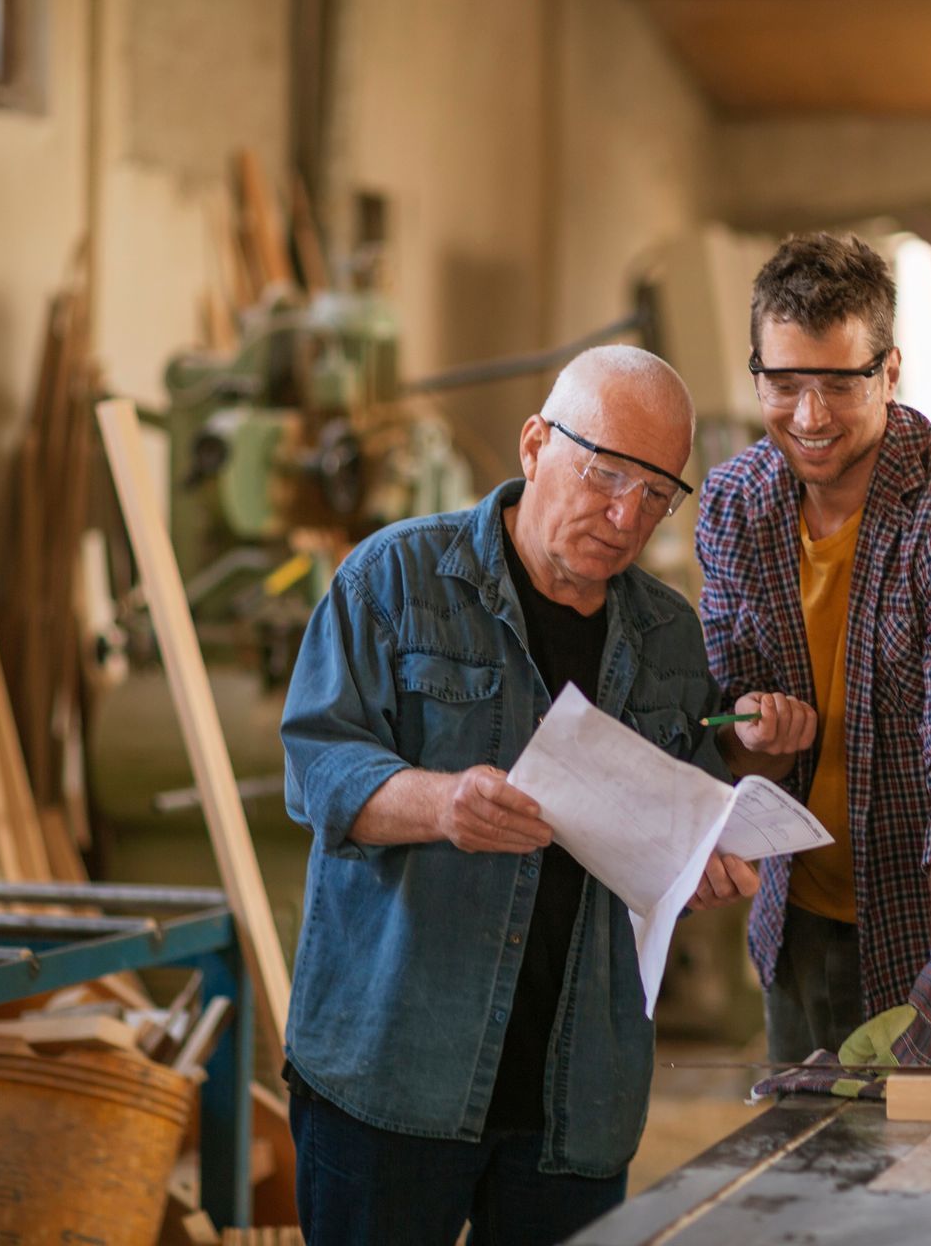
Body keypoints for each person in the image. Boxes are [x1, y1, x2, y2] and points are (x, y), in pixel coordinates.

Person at [279, 346, 815, 1244]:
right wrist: (440, 804)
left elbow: (684, 818)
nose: (624, 514)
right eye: (606, 473)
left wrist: (739, 802)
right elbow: (317, 768)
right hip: (395, 1072)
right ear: (535, 444)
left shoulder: (668, 637)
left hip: (576, 1096)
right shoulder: (393, 581)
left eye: (656, 494)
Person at [697, 232, 931, 1072]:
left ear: (890, 372)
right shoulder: (736, 505)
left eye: (840, 383)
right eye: (784, 383)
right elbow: (731, 740)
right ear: (757, 376)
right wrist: (753, 737)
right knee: (805, 1192)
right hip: (801, 927)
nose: (809, 416)